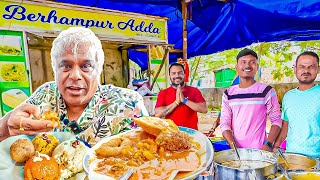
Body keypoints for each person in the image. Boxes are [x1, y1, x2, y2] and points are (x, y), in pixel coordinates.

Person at [0, 27, 148, 145]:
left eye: (86, 66)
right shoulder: (46, 93)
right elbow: (10, 128)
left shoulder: (128, 103)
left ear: (99, 69)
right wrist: (7, 125)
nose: (75, 75)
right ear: (55, 69)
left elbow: (147, 161)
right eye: (66, 66)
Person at [219, 48, 282, 152]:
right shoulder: (228, 93)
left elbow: (276, 121)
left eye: (252, 62)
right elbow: (224, 123)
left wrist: (268, 144)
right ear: (237, 67)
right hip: (237, 152)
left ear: (257, 67)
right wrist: (233, 146)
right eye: (243, 62)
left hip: (261, 151)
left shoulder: (266, 91)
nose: (247, 66)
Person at [274, 51, 320, 158]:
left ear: (318, 69)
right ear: (295, 70)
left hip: (316, 158)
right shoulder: (288, 96)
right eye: (302, 67)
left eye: (311, 67)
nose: (306, 71)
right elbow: (286, 125)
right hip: (291, 158)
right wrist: (276, 145)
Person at [154, 62, 207, 130]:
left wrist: (184, 100)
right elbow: (158, 114)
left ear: (184, 74)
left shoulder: (194, 91)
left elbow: (204, 109)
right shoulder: (163, 93)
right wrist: (176, 102)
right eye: (173, 73)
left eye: (180, 73)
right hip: (171, 133)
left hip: (191, 134)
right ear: (169, 75)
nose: (177, 75)